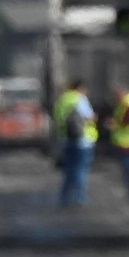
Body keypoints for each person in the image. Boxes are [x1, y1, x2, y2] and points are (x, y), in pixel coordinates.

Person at [54, 79, 97, 207]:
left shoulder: (62, 100)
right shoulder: (80, 99)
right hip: (83, 140)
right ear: (80, 88)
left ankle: (64, 197)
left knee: (69, 170)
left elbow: (57, 119)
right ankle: (80, 198)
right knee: (80, 169)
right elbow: (89, 117)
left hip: (66, 139)